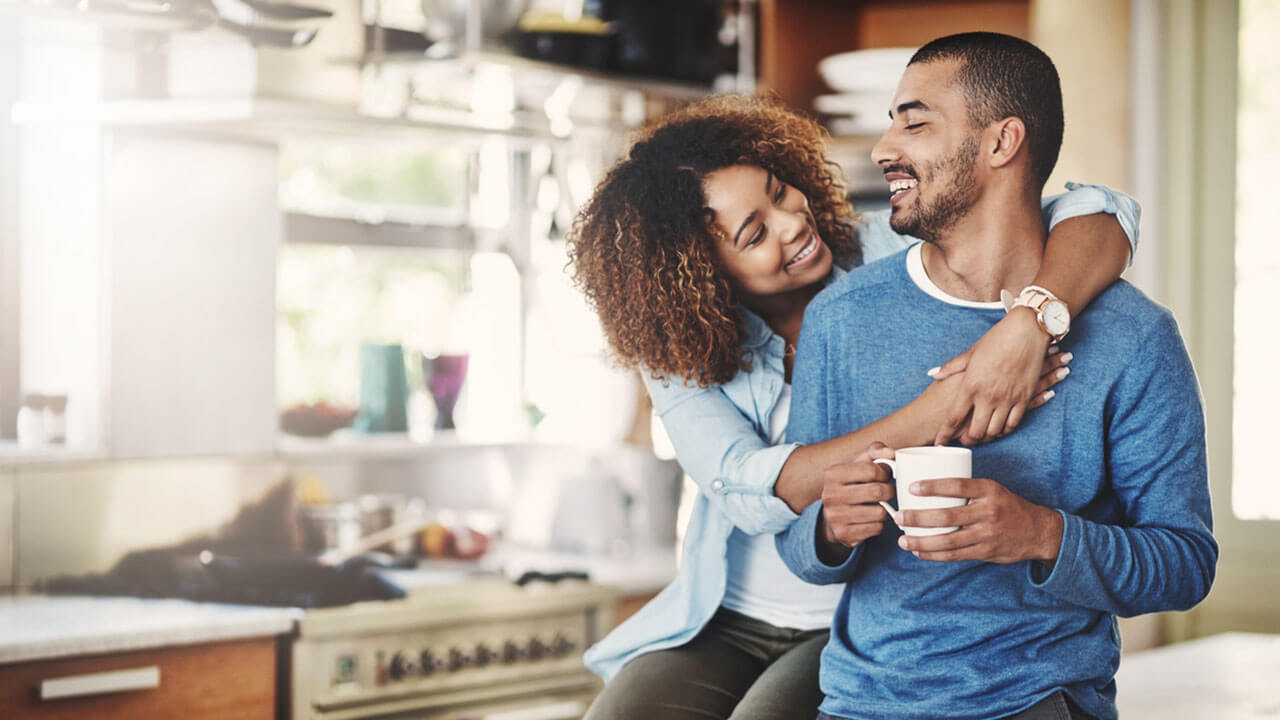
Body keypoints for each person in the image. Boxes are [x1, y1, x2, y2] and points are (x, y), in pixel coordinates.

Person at [567, 93, 1141, 720]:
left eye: (780, 191)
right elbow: (751, 488)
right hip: (728, 614)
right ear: (699, 274)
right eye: (755, 232)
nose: (791, 222)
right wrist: (948, 401)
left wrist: (1028, 326)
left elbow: (1099, 213)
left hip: (850, 615)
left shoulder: (892, 250)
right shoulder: (677, 348)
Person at [776, 32, 1216, 720]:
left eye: (914, 122)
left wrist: (1041, 534)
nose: (883, 148)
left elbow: (1186, 562)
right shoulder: (842, 318)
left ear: (1002, 142)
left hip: (1038, 700)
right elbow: (799, 547)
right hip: (862, 703)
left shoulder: (1136, 338)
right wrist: (830, 527)